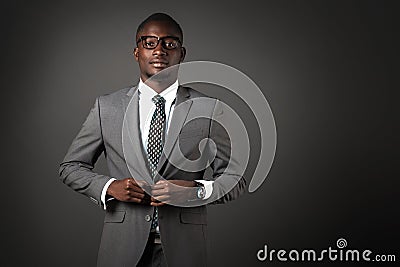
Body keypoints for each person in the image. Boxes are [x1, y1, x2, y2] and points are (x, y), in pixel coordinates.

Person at [59, 12, 245, 267]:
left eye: (170, 43)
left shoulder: (209, 109)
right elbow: (70, 167)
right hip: (121, 249)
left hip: (185, 250)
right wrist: (109, 187)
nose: (159, 50)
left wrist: (195, 190)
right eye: (149, 42)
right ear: (137, 52)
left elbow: (235, 180)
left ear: (182, 53)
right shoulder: (108, 107)